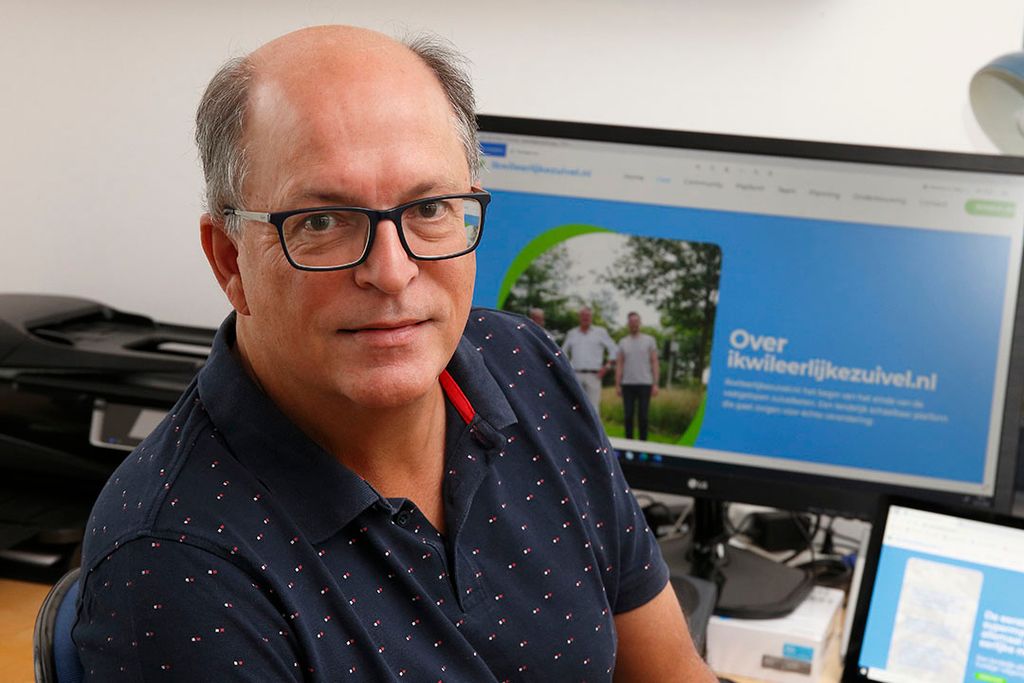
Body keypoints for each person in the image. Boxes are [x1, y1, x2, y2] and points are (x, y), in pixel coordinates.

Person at [73, 26, 715, 682]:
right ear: (230, 259)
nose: (392, 271)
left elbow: (673, 670)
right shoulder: (171, 564)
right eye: (322, 221)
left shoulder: (524, 361)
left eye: (430, 207)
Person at [561, 306, 618, 412]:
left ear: (591, 317)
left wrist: (607, 367)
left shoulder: (600, 332)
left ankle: (595, 429)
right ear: (579, 317)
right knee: (575, 406)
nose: (585, 318)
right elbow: (562, 353)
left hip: (594, 375)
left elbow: (614, 350)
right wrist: (567, 370)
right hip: (575, 375)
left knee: (594, 408)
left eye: (588, 316)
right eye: (583, 316)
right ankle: (576, 429)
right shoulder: (572, 333)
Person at [615, 312, 660, 441]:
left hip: (645, 383)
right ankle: (629, 443)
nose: (634, 324)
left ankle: (643, 444)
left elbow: (655, 362)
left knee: (643, 416)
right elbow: (619, 364)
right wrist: (617, 384)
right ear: (628, 324)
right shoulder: (623, 342)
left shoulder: (649, 340)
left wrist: (655, 383)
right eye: (631, 322)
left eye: (636, 321)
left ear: (640, 323)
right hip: (627, 384)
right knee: (628, 416)